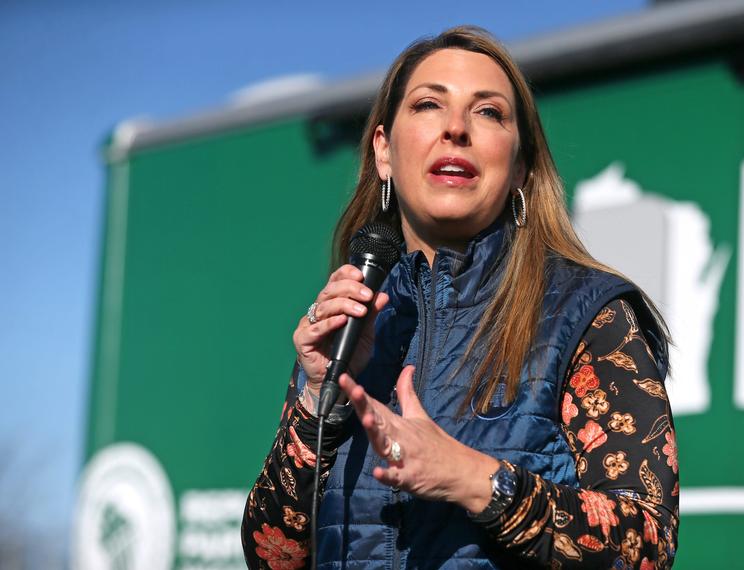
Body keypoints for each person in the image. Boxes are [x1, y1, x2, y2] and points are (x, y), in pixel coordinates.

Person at [242, 26, 678, 569]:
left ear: (519, 167)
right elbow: (272, 557)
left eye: (488, 113)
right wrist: (314, 403)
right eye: (429, 105)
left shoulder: (589, 313)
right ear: (384, 150)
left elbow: (647, 549)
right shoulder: (351, 315)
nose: (455, 129)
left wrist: (472, 478)